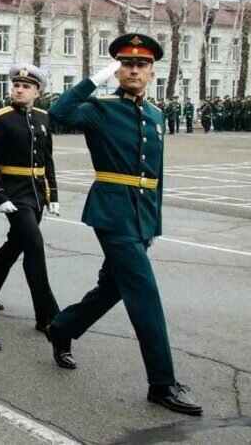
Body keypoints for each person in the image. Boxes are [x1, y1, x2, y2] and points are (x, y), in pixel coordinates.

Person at [46, 33, 202, 416]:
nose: (134, 70)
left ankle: (62, 328)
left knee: (112, 287)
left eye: (141, 65)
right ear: (117, 69)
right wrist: (93, 80)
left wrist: (154, 224)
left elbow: (156, 176)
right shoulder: (100, 108)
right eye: (126, 64)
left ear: (151, 72)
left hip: (141, 215)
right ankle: (162, 382)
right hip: (112, 214)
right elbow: (58, 114)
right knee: (144, 292)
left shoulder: (156, 115)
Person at [0, 64, 61, 337]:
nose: (19, 90)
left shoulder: (43, 117)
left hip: (36, 192)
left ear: (37, 91)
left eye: (26, 86)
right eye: (16, 85)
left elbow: (47, 159)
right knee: (34, 246)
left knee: (16, 244)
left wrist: (54, 195)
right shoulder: (0, 118)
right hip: (14, 194)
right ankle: (47, 314)